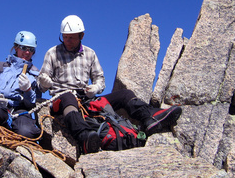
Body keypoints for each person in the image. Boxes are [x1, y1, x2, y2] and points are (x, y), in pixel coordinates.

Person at [38, 15, 182, 154]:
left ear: (81, 36)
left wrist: (95, 88)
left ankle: (149, 117)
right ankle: (84, 137)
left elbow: (100, 80)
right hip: (61, 100)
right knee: (68, 97)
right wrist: (44, 82)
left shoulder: (90, 54)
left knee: (125, 94)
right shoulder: (52, 53)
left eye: (71, 37)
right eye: (65, 37)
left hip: (86, 99)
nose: (67, 41)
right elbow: (41, 84)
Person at [0, 31, 42, 139]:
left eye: (31, 49)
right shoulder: (0, 67)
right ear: (16, 47)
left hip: (21, 111)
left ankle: (8, 131)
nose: (27, 52)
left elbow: (33, 104)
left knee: (27, 132)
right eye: (24, 48)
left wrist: (28, 90)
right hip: (0, 105)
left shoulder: (36, 75)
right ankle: (8, 130)